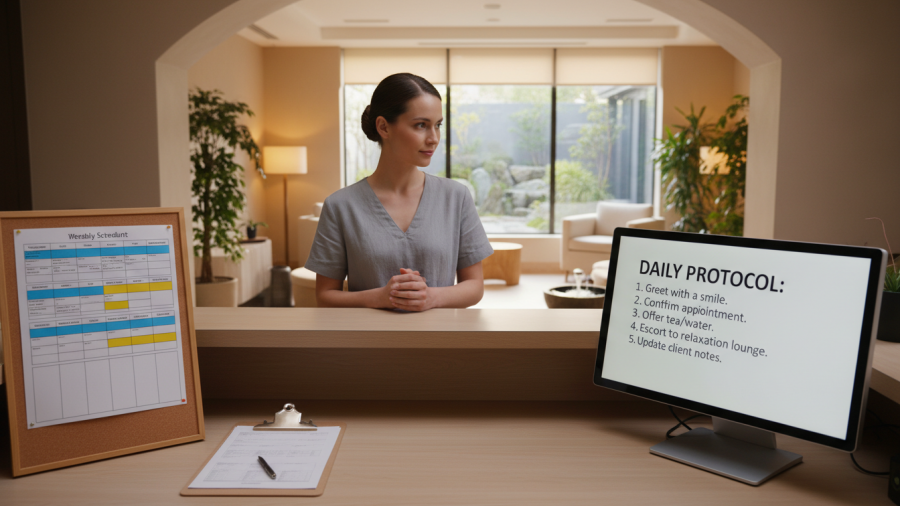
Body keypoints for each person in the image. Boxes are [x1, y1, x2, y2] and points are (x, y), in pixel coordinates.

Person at [305, 73, 493, 311]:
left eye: (438, 125)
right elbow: (324, 296)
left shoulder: (456, 197)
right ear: (384, 127)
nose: (434, 138)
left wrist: (430, 298)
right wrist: (379, 298)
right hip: (368, 344)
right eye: (421, 125)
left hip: (441, 343)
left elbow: (475, 286)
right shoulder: (341, 206)